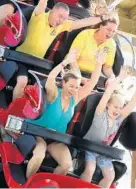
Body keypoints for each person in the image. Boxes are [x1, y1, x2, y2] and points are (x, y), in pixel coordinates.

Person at [13, 0, 111, 100]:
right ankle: (12, 116)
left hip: (37, 63)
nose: (61, 21)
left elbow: (81, 23)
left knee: (48, 90)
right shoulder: (39, 16)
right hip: (20, 58)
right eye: (59, 16)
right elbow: (42, 3)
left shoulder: (61, 26)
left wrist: (102, 19)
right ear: (52, 11)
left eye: (64, 18)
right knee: (22, 82)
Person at [25, 48, 107, 179]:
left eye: (76, 87)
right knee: (40, 153)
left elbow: (92, 84)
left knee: (67, 164)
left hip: (55, 140)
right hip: (38, 133)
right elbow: (51, 78)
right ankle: (27, 184)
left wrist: (99, 64)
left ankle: (48, 185)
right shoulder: (54, 93)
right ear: (63, 83)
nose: (74, 90)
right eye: (71, 86)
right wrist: (65, 62)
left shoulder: (74, 99)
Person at [80, 68, 136, 188]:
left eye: (120, 108)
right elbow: (107, 93)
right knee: (90, 169)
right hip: (90, 146)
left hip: (103, 152)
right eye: (115, 107)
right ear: (108, 105)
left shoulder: (118, 120)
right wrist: (120, 78)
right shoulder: (100, 113)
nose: (117, 110)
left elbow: (132, 103)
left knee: (110, 176)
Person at [69, 14, 119, 83]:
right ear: (101, 26)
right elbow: (72, 60)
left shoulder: (112, 44)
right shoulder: (85, 35)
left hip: (93, 76)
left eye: (114, 31)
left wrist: (112, 77)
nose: (111, 33)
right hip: (75, 71)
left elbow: (107, 67)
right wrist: (79, 77)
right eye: (108, 29)